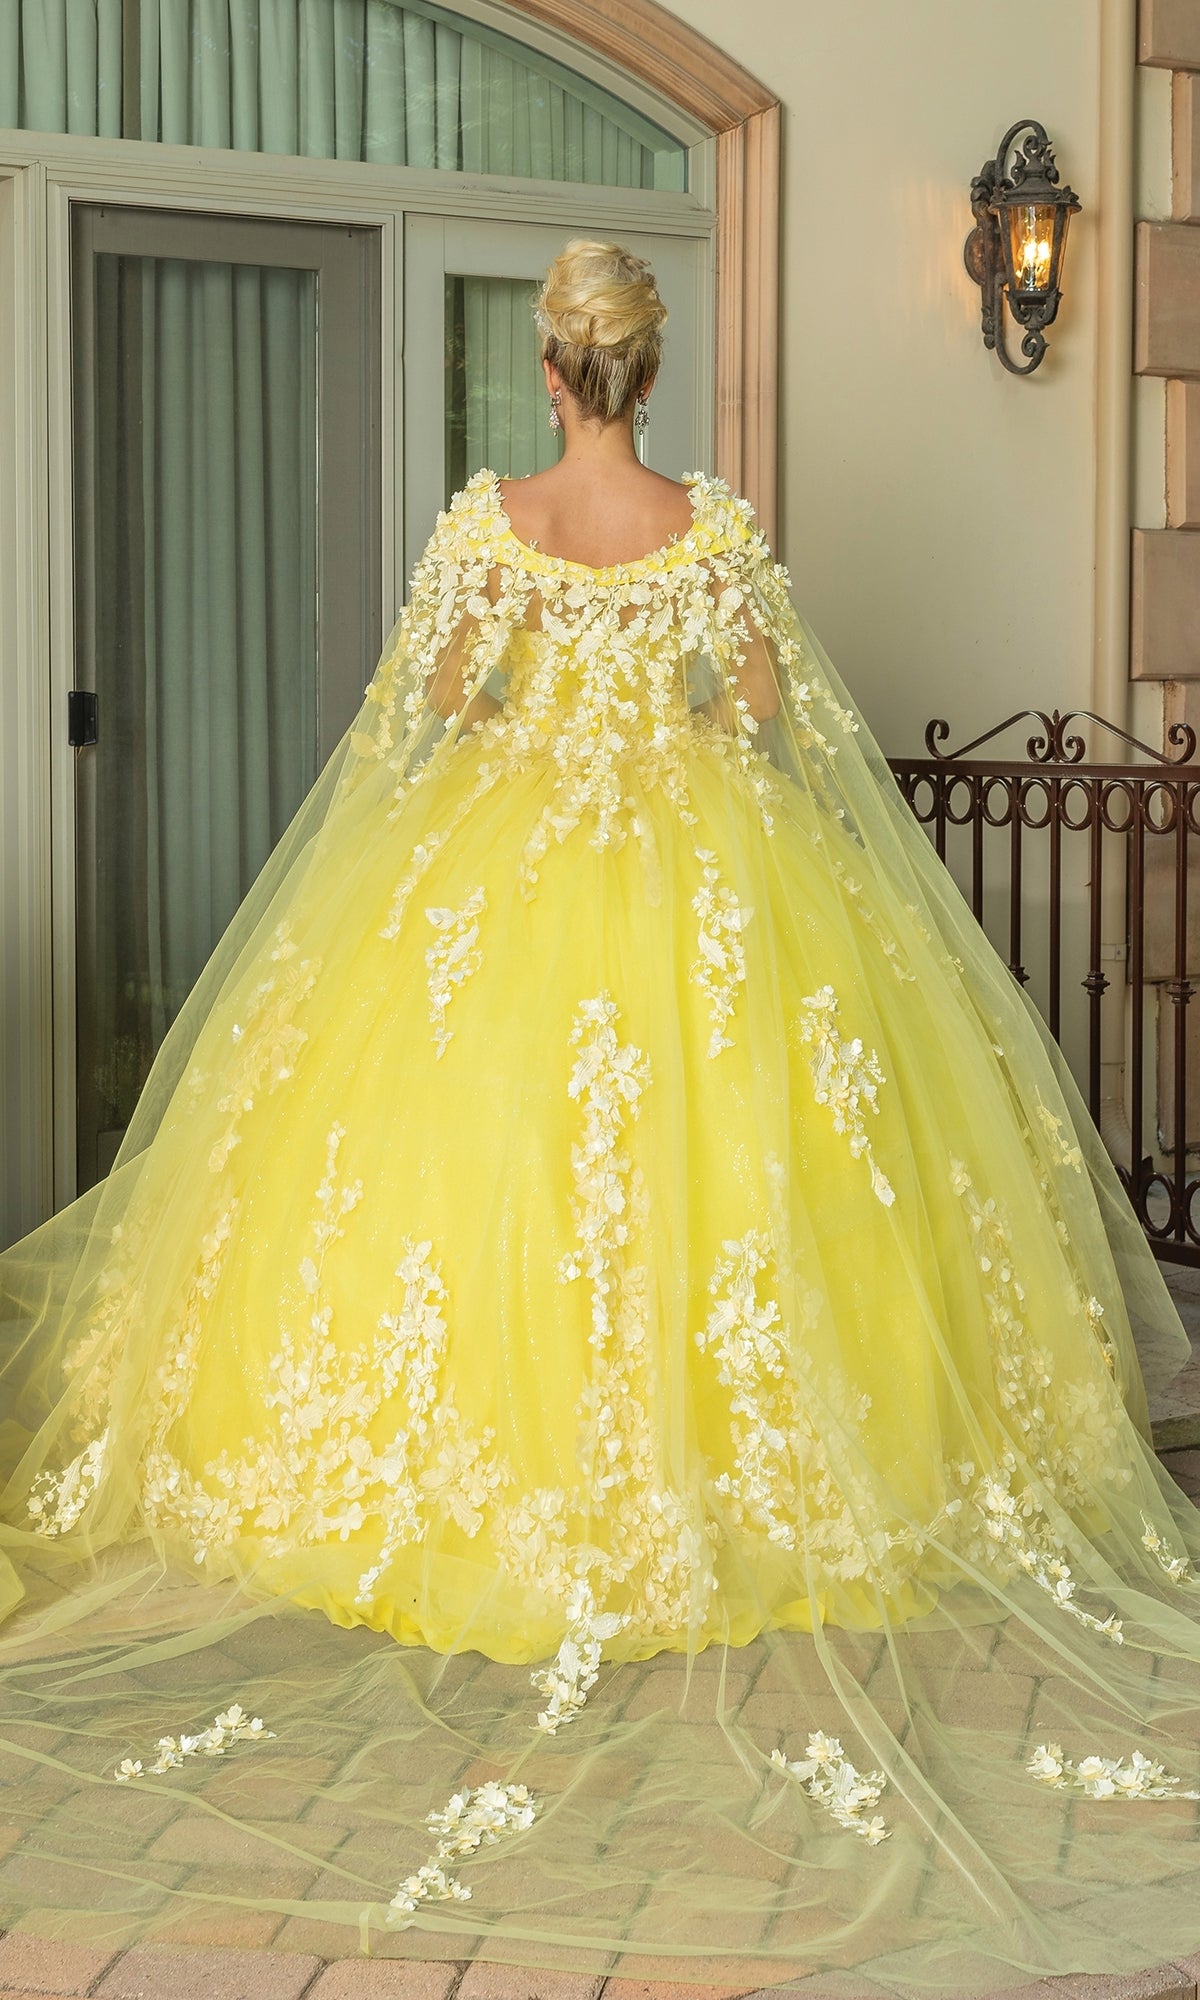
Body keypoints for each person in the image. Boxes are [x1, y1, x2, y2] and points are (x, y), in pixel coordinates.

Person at [2, 237, 1200, 1997]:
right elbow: (782, 728)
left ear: (553, 376)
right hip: (707, 878)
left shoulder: (490, 525)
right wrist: (670, 732)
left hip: (507, 879)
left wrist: (529, 726)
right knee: (739, 1183)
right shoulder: (710, 530)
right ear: (652, 374)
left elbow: (421, 726)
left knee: (473, 1189)